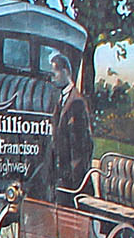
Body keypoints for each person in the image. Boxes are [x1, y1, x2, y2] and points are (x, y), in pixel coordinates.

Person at [20, 50, 93, 203]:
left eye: (55, 73)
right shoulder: (61, 100)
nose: (52, 77)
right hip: (60, 176)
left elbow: (80, 146)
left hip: (71, 182)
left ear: (65, 71)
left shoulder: (76, 102)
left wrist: (71, 182)